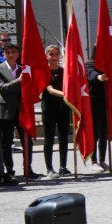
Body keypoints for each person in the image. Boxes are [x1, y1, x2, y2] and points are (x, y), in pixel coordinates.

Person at [0, 42, 25, 183]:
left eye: (13, 52)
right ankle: (9, 171)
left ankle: (28, 169)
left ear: (18, 54)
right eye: (8, 53)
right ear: (3, 55)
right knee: (6, 143)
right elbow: (2, 88)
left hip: (21, 109)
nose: (11, 55)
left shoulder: (23, 69)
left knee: (26, 141)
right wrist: (19, 80)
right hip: (4, 110)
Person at [41, 44, 71, 175]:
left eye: (56, 54)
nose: (54, 57)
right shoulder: (44, 72)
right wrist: (66, 94)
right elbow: (50, 90)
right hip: (49, 109)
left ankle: (63, 167)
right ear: (46, 56)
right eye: (51, 54)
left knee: (63, 138)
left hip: (63, 109)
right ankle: (49, 168)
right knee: (49, 139)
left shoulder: (64, 71)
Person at [86, 59, 110, 170]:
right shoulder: (89, 64)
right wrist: (99, 77)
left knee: (103, 134)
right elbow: (91, 75)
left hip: (105, 103)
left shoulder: (107, 64)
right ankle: (94, 161)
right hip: (93, 103)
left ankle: (102, 160)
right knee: (94, 133)